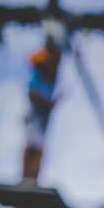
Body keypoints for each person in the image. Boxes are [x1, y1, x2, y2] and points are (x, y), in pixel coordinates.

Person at [22, 39, 61, 180]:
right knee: (33, 146)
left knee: (39, 146)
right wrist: (47, 103)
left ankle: (32, 178)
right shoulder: (38, 74)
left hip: (42, 118)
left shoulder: (51, 79)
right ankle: (28, 177)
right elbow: (32, 94)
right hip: (35, 116)